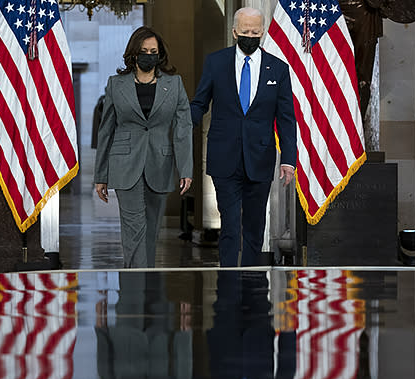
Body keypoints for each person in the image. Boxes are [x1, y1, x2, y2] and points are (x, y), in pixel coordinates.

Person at [190, 7, 297, 267]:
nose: (250, 36)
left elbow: (285, 118)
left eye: (255, 31)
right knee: (229, 224)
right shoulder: (216, 62)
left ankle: (252, 281)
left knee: (254, 224)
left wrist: (288, 160)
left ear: (263, 32)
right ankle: (228, 281)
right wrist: (179, 129)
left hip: (259, 157)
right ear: (235, 31)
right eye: (246, 31)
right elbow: (199, 103)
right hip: (224, 156)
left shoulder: (278, 69)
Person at [94, 27, 193, 268]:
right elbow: (106, 130)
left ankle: (146, 287)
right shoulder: (116, 84)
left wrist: (186, 168)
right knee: (133, 228)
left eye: (153, 51)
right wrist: (101, 175)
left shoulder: (175, 84)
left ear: (160, 55)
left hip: (160, 162)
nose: (149, 55)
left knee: (152, 228)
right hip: (125, 163)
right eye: (144, 51)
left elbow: (183, 128)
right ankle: (134, 287)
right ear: (133, 54)